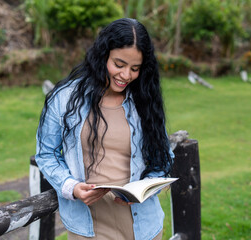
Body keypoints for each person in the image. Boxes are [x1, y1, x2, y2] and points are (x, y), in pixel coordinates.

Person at [35, 18, 174, 240]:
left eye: (135, 68)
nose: (126, 75)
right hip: (88, 224)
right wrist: (71, 187)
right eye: (119, 65)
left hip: (143, 223)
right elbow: (46, 153)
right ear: (102, 56)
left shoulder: (144, 100)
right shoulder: (65, 98)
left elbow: (162, 156)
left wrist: (146, 188)